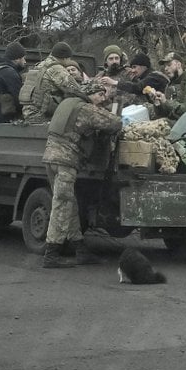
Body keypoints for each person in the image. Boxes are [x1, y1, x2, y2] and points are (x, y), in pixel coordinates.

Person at [41, 83, 122, 268]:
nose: (103, 98)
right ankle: (51, 254)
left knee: (69, 204)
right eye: (100, 94)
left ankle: (80, 249)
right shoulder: (85, 108)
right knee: (62, 205)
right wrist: (111, 107)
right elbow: (115, 123)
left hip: (51, 159)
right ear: (90, 93)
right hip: (66, 161)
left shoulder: (67, 103)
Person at [19, 41, 89, 123]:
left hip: (28, 113)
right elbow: (75, 90)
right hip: (41, 116)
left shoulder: (40, 65)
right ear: (65, 58)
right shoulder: (56, 69)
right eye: (69, 58)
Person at [0, 41, 26, 124]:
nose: (25, 61)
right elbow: (19, 99)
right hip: (3, 119)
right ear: (17, 59)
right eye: (23, 58)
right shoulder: (9, 72)